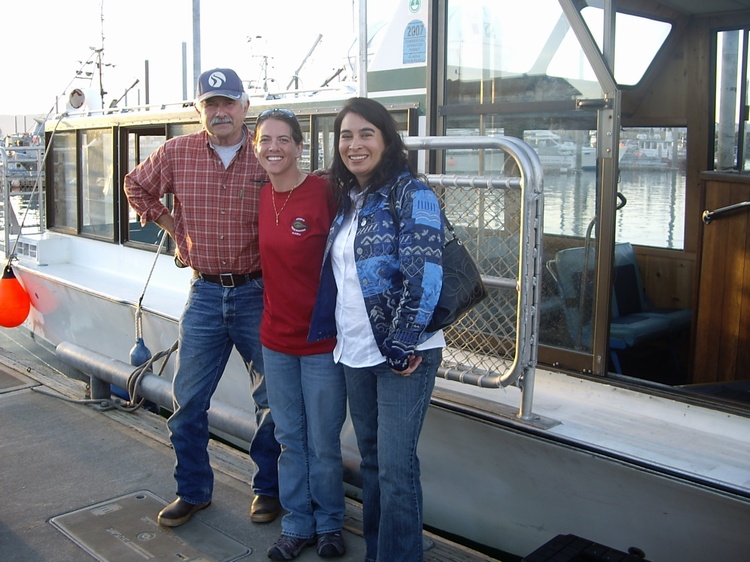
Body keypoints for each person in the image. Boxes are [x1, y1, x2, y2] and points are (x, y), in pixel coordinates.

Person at [123, 67, 281, 528]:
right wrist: (172, 226)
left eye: (228, 102)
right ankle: (193, 491)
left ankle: (268, 490)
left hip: (257, 292)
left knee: (272, 402)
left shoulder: (267, 155)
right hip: (206, 293)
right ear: (199, 110)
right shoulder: (176, 152)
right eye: (210, 104)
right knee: (188, 400)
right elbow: (135, 185)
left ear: (244, 106)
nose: (220, 111)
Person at [309, 97, 445, 562]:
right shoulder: (349, 199)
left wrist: (403, 345)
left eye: (366, 133)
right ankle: (377, 553)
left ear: (387, 140)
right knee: (370, 462)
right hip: (354, 350)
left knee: (395, 468)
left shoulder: (412, 193)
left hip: (401, 355)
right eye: (346, 135)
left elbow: (426, 274)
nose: (355, 144)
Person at [253, 108, 348, 560]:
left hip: (322, 343)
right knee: (290, 440)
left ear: (299, 146)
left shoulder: (324, 191)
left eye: (283, 140)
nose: (274, 148)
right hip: (275, 342)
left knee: (323, 443)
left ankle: (330, 523)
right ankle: (297, 523)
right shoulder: (259, 197)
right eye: (265, 140)